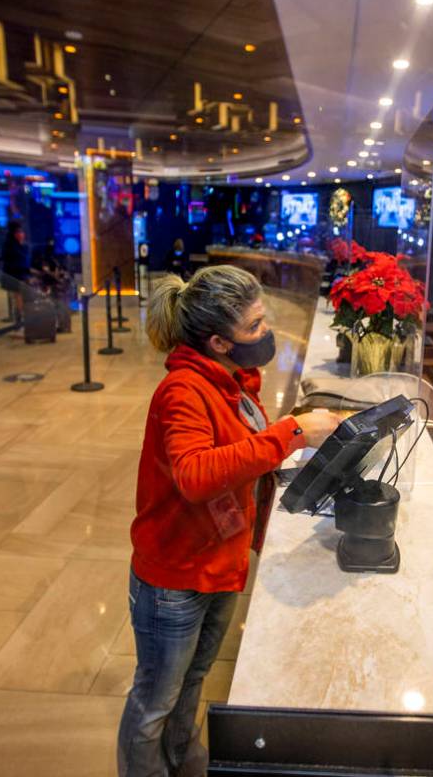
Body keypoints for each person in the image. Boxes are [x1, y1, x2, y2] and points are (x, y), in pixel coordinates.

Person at [117, 265, 341, 777]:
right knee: (154, 700)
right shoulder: (183, 392)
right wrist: (290, 434)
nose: (266, 334)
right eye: (256, 326)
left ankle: (181, 759)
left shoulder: (232, 381)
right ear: (219, 341)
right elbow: (196, 475)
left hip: (218, 559)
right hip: (176, 573)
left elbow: (240, 455)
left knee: (193, 679)